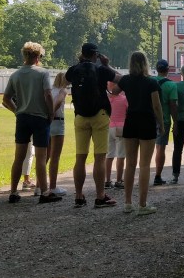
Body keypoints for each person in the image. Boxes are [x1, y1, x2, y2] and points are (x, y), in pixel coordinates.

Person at [2, 41, 62, 204]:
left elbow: (6, 99)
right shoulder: (42, 73)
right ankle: (45, 192)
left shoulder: (16, 75)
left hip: (23, 117)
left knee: (19, 156)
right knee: (41, 157)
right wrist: (50, 113)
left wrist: (17, 111)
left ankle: (13, 192)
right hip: (40, 117)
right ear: (37, 56)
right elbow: (48, 95)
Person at [65, 42, 121, 208]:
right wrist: (106, 64)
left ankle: (79, 195)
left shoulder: (73, 69)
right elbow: (120, 79)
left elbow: (65, 81)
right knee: (99, 157)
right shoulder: (101, 69)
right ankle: (100, 195)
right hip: (99, 114)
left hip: (80, 115)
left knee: (80, 157)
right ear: (96, 55)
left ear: (82, 54)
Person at [114, 51, 164, 215]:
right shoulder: (151, 82)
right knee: (144, 165)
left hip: (131, 121)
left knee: (130, 164)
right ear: (145, 64)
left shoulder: (126, 80)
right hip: (147, 121)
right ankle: (142, 204)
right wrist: (162, 125)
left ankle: (128, 202)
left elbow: (114, 90)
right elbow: (156, 106)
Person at [152, 59, 177, 186]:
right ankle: (157, 175)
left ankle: (143, 173)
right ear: (167, 70)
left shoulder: (150, 81)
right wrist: (176, 122)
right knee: (161, 148)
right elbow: (173, 105)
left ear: (157, 69)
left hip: (150, 119)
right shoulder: (171, 85)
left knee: (149, 147)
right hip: (164, 120)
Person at [47, 72, 69, 195]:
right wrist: (52, 112)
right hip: (57, 122)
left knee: (45, 155)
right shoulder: (63, 90)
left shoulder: (50, 90)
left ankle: (39, 186)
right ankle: (53, 186)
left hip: (47, 123)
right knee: (55, 156)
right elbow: (58, 101)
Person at [171, 64, 184, 184]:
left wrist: (175, 122)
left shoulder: (176, 86)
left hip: (179, 119)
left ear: (182, 74)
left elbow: (174, 104)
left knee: (177, 149)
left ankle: (175, 175)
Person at [105, 81, 127, 190]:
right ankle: (119, 180)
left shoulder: (107, 99)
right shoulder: (123, 98)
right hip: (121, 126)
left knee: (109, 154)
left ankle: (107, 180)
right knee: (121, 154)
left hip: (109, 126)